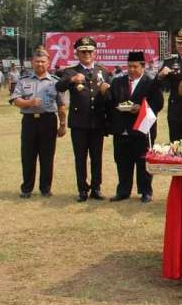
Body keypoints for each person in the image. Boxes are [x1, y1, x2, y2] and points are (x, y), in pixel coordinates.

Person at [55, 36, 112, 202]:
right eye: (83, 52)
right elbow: (58, 86)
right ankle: (82, 189)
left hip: (97, 121)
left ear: (95, 53)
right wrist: (72, 79)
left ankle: (96, 188)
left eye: (90, 51)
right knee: (80, 158)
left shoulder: (103, 71)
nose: (87, 54)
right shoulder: (70, 71)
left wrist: (106, 92)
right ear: (77, 54)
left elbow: (110, 96)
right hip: (79, 122)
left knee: (97, 157)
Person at [106, 51, 164, 203]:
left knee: (143, 162)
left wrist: (141, 108)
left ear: (142, 67)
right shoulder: (118, 82)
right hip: (122, 129)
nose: (131, 69)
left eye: (135, 66)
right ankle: (123, 191)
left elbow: (158, 103)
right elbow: (111, 101)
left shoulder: (150, 83)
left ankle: (145, 191)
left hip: (142, 130)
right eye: (129, 66)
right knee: (122, 161)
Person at [10, 47, 67, 198]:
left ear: (48, 63)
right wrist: (29, 103)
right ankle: (26, 189)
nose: (40, 64)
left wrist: (62, 124)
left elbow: (61, 105)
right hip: (29, 121)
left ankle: (45, 188)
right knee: (27, 155)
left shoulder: (55, 82)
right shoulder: (24, 80)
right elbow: (15, 100)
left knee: (47, 156)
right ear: (32, 62)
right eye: (37, 61)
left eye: (43, 61)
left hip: (48, 120)